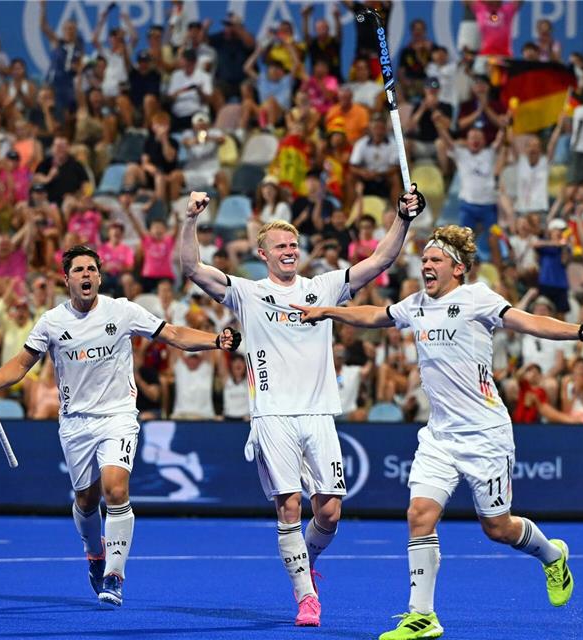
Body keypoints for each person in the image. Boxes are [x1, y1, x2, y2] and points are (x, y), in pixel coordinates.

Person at [291, 225, 583, 639]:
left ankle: (552, 556)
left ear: (457, 268)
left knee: (498, 528)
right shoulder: (417, 303)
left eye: (434, 260)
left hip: (485, 433)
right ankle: (421, 615)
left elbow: (529, 322)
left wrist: (580, 332)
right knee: (419, 515)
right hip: (439, 434)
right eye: (423, 259)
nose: (425, 264)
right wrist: (329, 311)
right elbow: (375, 316)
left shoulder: (478, 298)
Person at [179, 185, 426, 627]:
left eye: (294, 245)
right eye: (281, 246)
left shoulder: (323, 287)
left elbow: (381, 260)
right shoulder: (246, 292)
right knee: (289, 505)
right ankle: (306, 597)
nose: (290, 251)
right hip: (272, 415)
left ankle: (305, 560)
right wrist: (190, 218)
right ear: (263, 254)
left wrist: (403, 219)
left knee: (329, 511)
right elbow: (191, 267)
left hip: (318, 415)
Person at [0, 245, 240, 607]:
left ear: (99, 276)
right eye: (79, 270)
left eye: (91, 270)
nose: (86, 275)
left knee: (116, 489)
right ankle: (94, 552)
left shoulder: (123, 311)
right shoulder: (51, 321)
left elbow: (173, 334)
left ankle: (114, 575)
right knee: (86, 500)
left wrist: (216, 340)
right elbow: (22, 363)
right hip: (75, 423)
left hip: (118, 416)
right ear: (66, 279)